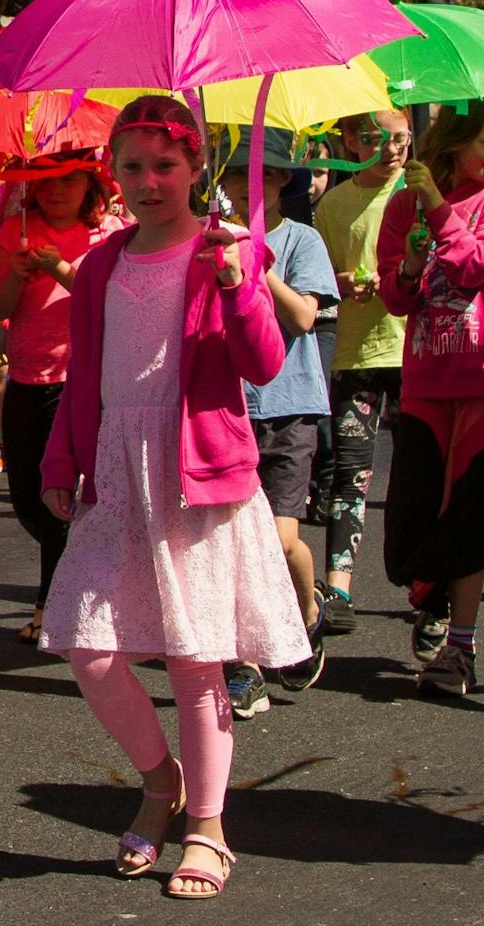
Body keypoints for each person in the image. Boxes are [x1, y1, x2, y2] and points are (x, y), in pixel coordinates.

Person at [40, 95, 307, 901]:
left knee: (197, 661)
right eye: (132, 167)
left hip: (197, 472)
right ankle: (162, 781)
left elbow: (262, 363)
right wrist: (63, 461)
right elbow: (81, 373)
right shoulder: (101, 263)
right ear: (112, 172)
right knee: (88, 647)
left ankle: (208, 828)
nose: (149, 182)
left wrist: (240, 286)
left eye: (166, 166)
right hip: (118, 472)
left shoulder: (226, 251)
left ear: (198, 169)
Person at [219, 131, 339, 718]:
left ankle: (307, 610)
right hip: (227, 409)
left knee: (280, 540)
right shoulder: (213, 241)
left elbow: (304, 316)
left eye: (263, 175)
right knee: (233, 542)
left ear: (281, 182)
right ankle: (245, 663)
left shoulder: (302, 239)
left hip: (289, 406)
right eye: (239, 175)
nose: (250, 185)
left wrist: (257, 267)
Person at [0, 153, 121, 645]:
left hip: (79, 382)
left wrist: (59, 267)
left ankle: (50, 604)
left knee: (57, 501)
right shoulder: (16, 228)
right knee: (24, 496)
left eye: (68, 181)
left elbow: (106, 300)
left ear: (91, 183)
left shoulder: (109, 232)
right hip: (24, 379)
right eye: (45, 181)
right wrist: (17, 274)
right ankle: (83, 570)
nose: (56, 191)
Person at [378, 106, 484, 697]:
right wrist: (412, 267)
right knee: (415, 521)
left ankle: (459, 648)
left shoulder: (435, 203)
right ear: (460, 140)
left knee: (469, 516)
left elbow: (473, 270)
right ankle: (431, 597)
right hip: (425, 379)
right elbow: (395, 297)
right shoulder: (405, 203)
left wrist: (442, 212)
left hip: (480, 378)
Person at [314, 110, 411, 636]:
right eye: (375, 139)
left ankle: (425, 582)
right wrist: (340, 281)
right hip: (356, 355)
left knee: (419, 475)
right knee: (350, 474)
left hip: (417, 351)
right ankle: (339, 585)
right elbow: (318, 276)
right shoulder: (335, 203)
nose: (391, 149)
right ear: (351, 139)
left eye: (399, 138)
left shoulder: (422, 194)